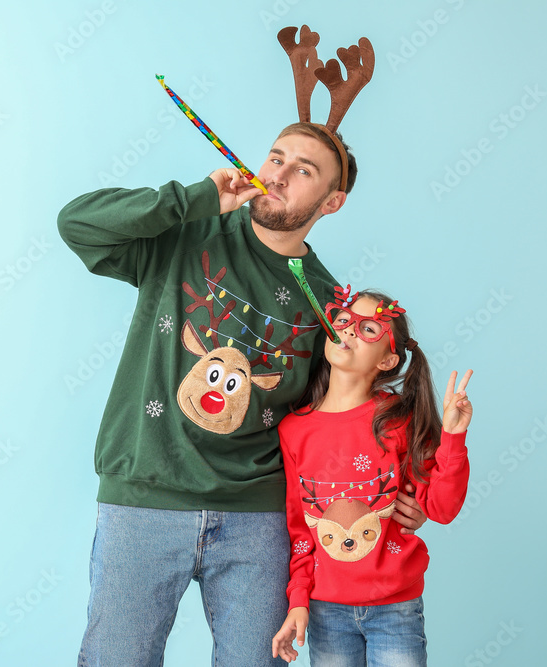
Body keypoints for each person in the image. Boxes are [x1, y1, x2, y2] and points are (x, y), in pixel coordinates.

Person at [57, 123, 430, 666]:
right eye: (276, 157)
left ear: (332, 202)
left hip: (259, 522)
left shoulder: (327, 302)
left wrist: (398, 489)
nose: (278, 174)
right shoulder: (188, 233)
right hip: (145, 498)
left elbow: (336, 418)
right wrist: (194, 199)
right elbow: (77, 224)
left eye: (304, 170)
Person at [271, 288, 473, 666]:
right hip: (326, 612)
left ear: (388, 360)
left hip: (396, 609)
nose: (348, 331)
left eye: (368, 329)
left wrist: (454, 437)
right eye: (344, 320)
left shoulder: (398, 419)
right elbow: (300, 530)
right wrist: (298, 600)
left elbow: (442, 508)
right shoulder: (294, 430)